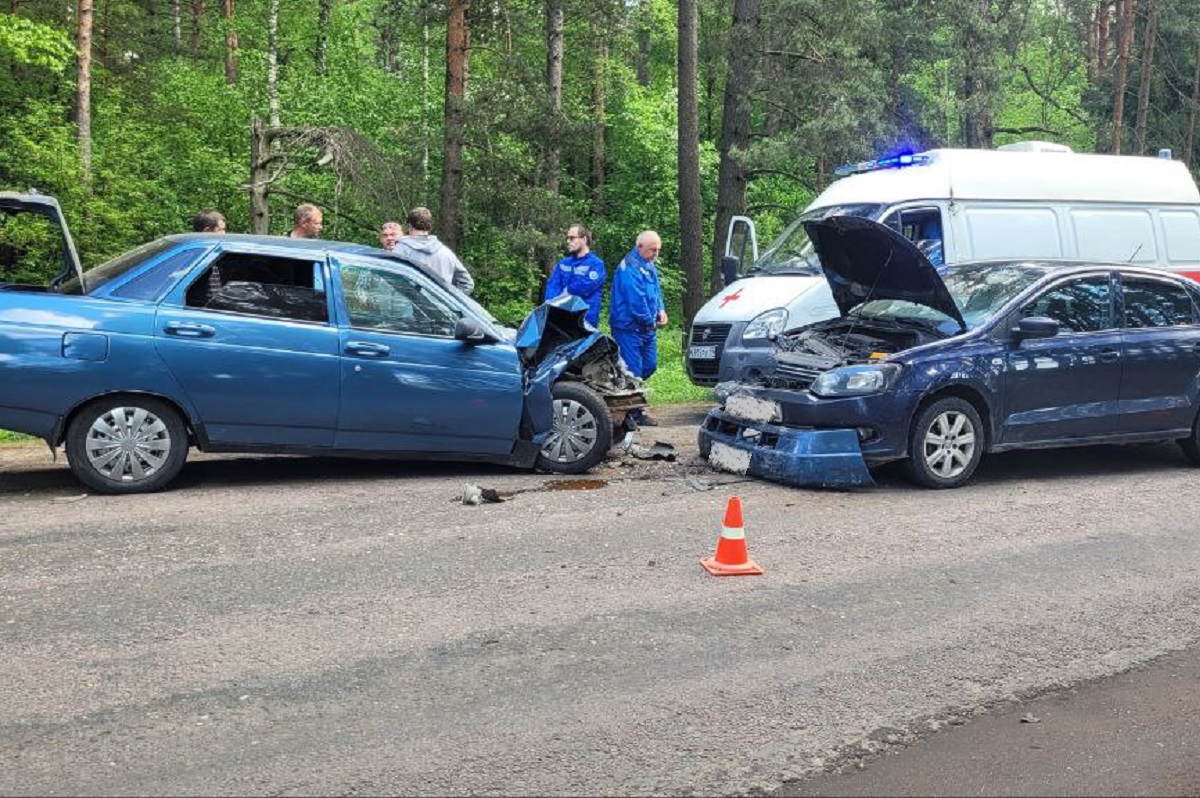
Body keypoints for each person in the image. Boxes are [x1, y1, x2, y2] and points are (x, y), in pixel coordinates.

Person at [608, 230, 668, 426]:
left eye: (657, 250)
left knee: (649, 366)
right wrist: (649, 321)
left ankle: (626, 405)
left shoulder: (649, 265)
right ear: (640, 247)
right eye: (652, 250)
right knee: (632, 371)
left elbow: (656, 291)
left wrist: (661, 310)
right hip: (629, 327)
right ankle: (632, 414)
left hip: (647, 327)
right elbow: (636, 301)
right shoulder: (629, 268)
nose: (655, 254)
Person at [392, 206, 474, 294]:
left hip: (410, 306)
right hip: (441, 306)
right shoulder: (446, 252)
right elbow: (467, 284)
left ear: (410, 226)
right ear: (429, 227)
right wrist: (451, 299)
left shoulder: (400, 250)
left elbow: (390, 278)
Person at [544, 224, 606, 328]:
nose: (568, 241)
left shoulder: (596, 264)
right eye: (567, 238)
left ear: (584, 239)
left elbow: (586, 285)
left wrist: (567, 291)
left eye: (572, 238)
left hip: (585, 320)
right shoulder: (563, 263)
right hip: (561, 318)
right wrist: (550, 302)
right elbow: (553, 285)